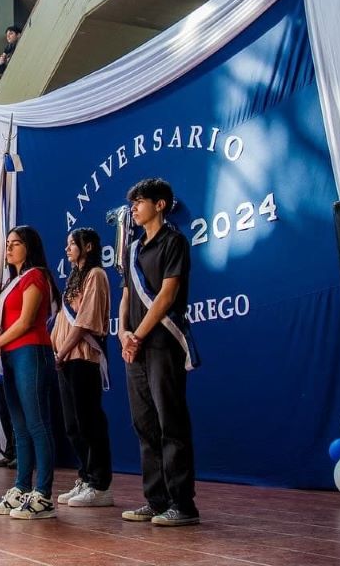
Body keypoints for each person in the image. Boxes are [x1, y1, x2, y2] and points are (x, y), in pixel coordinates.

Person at [119, 178, 199, 526]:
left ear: (161, 204)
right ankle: (155, 500)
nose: (134, 207)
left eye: (140, 201)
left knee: (171, 423)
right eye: (132, 202)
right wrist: (123, 332)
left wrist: (137, 334)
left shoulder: (174, 242)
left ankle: (182, 505)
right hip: (134, 346)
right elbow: (126, 295)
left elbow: (167, 296)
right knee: (144, 424)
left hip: (162, 343)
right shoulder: (134, 248)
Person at [0, 226, 59, 520]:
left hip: (31, 351)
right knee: (18, 427)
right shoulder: (10, 283)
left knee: (37, 423)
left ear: (29, 247)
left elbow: (27, 320)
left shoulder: (36, 275)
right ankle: (21, 487)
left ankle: (43, 493)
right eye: (7, 243)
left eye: (15, 243)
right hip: (10, 356)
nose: (9, 248)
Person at [52, 227, 114, 508]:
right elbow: (63, 323)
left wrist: (62, 351)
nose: (67, 249)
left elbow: (85, 321)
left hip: (83, 356)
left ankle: (101, 484)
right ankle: (86, 477)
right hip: (65, 357)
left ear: (87, 246)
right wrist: (56, 349)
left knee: (89, 421)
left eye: (71, 244)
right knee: (72, 425)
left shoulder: (96, 275)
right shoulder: (73, 278)